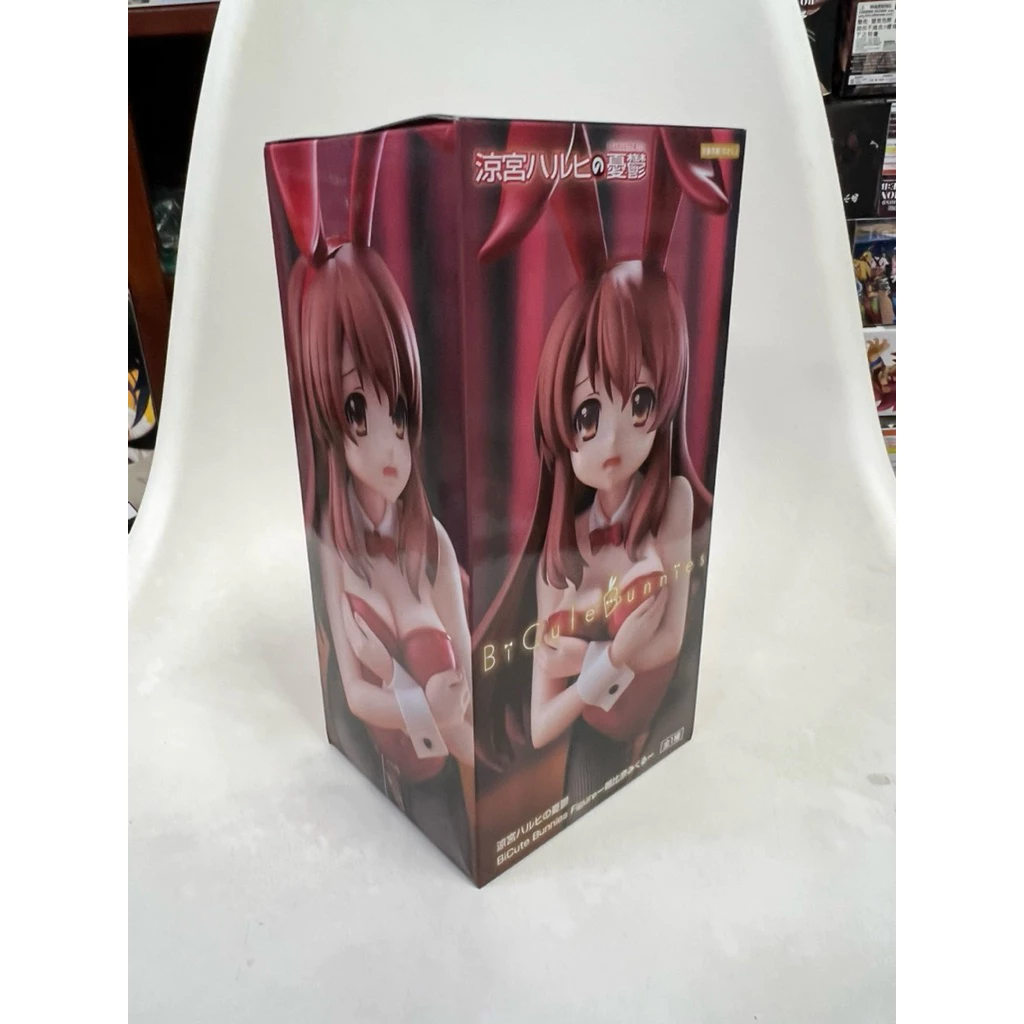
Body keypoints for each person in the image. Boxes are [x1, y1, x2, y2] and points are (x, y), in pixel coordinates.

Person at [474, 123, 731, 809]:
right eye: (587, 414)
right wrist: (611, 656)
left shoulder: (673, 502)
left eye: (639, 402)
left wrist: (580, 653)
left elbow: (670, 639)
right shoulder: (561, 557)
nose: (611, 438)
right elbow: (540, 723)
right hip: (598, 743)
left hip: (673, 717)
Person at [271, 134, 473, 871]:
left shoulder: (435, 545)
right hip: (353, 794)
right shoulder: (332, 541)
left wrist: (433, 701)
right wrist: (422, 703)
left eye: (401, 410)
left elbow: (467, 684)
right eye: (359, 409)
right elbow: (354, 696)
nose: (391, 444)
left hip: (443, 797)